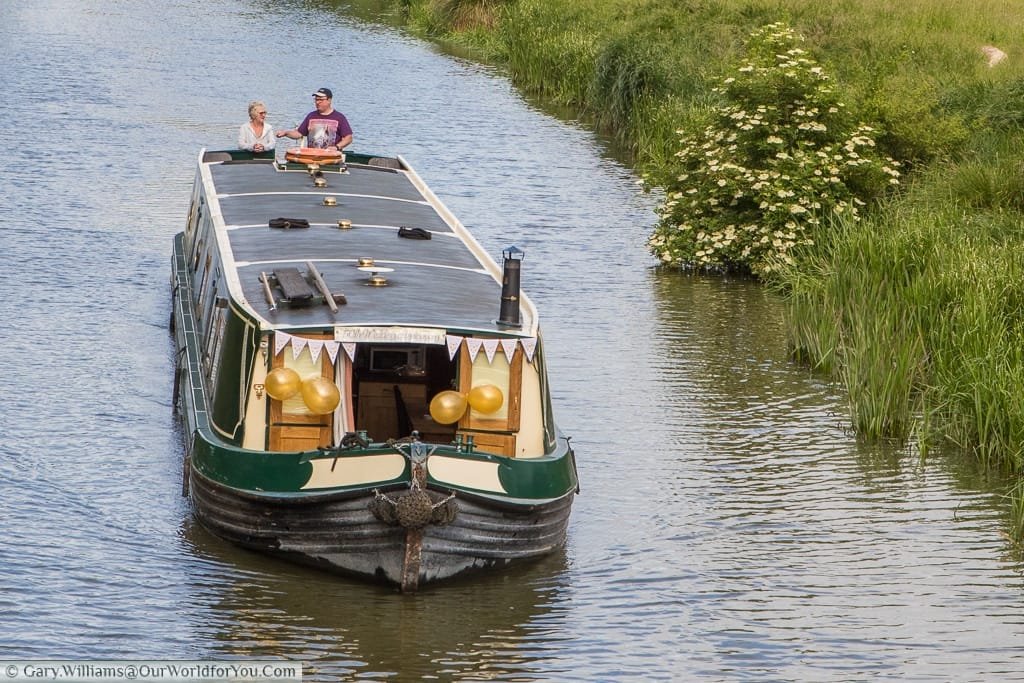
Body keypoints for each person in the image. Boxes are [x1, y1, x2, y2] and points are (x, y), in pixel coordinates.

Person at [276, 88, 353, 151]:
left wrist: (336, 147)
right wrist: (286, 133)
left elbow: (348, 138)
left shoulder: (339, 117)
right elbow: (299, 134)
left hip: (331, 157)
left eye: (320, 100)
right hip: (312, 156)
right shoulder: (311, 116)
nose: (317, 102)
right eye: (316, 100)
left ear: (329, 100)